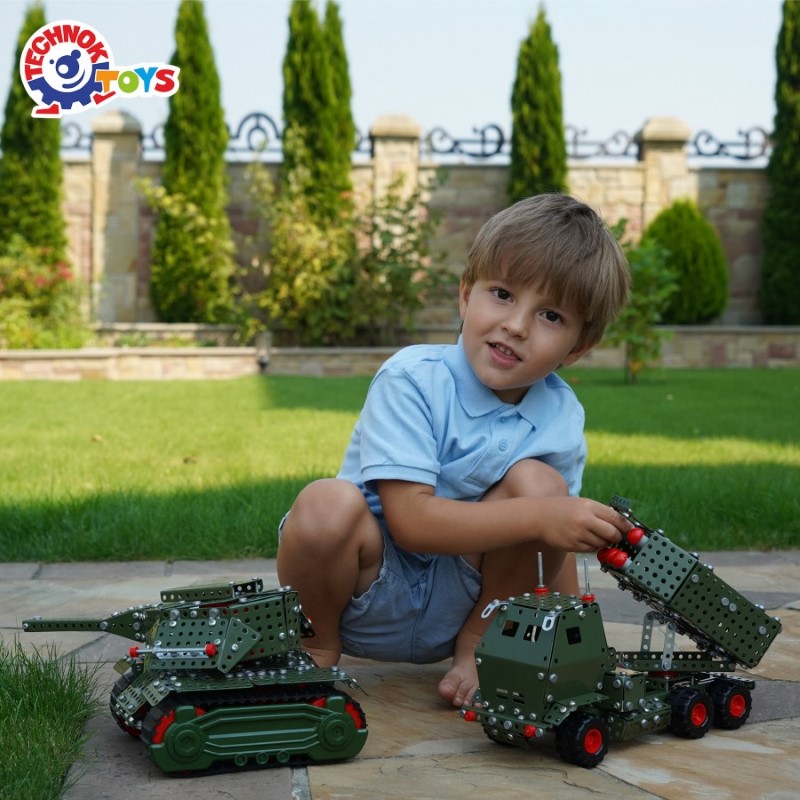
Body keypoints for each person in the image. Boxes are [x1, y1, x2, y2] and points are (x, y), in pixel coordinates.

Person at [276, 193, 632, 708]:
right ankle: (314, 646)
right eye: (502, 294)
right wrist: (544, 516)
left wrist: (579, 645)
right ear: (466, 296)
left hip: (471, 603)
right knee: (324, 503)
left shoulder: (561, 415)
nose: (517, 325)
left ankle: (480, 647)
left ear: (577, 347)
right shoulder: (413, 379)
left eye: (551, 315)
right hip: (367, 585)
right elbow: (410, 521)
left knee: (542, 487)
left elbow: (549, 548)